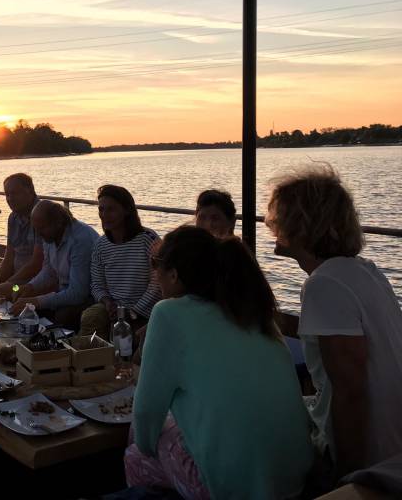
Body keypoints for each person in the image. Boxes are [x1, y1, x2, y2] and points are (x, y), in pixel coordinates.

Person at [127, 226, 313, 499]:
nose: (157, 281)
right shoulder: (249, 308)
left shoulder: (170, 313)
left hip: (235, 488)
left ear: (174, 275)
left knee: (134, 455)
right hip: (293, 477)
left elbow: (145, 415)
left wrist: (144, 445)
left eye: (158, 272)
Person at [266, 164, 402, 478]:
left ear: (301, 224)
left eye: (277, 216)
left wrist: (346, 477)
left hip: (373, 451)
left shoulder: (324, 285)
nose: (270, 223)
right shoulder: (365, 269)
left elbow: (351, 391)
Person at [80, 185, 161, 339]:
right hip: (113, 306)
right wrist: (106, 301)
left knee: (125, 333)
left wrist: (132, 312)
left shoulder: (148, 239)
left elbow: (157, 283)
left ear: (126, 210)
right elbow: (97, 284)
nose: (104, 215)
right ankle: (90, 358)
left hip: (144, 308)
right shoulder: (100, 245)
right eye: (101, 210)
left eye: (111, 209)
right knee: (91, 317)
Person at [9, 200, 98, 328]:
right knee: (24, 309)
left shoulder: (80, 240)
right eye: (36, 229)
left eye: (41, 229)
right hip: (66, 292)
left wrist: (37, 301)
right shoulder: (49, 236)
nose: (38, 234)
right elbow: (49, 271)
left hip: (90, 298)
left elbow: (78, 293)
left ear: (58, 223)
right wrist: (29, 287)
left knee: (62, 315)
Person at [0, 173, 44, 295]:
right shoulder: (13, 218)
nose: (10, 199)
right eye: (7, 194)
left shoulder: (42, 215)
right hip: (13, 278)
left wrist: (6, 284)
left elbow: (36, 263)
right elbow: (8, 257)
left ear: (29, 191)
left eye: (14, 193)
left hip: (30, 283)